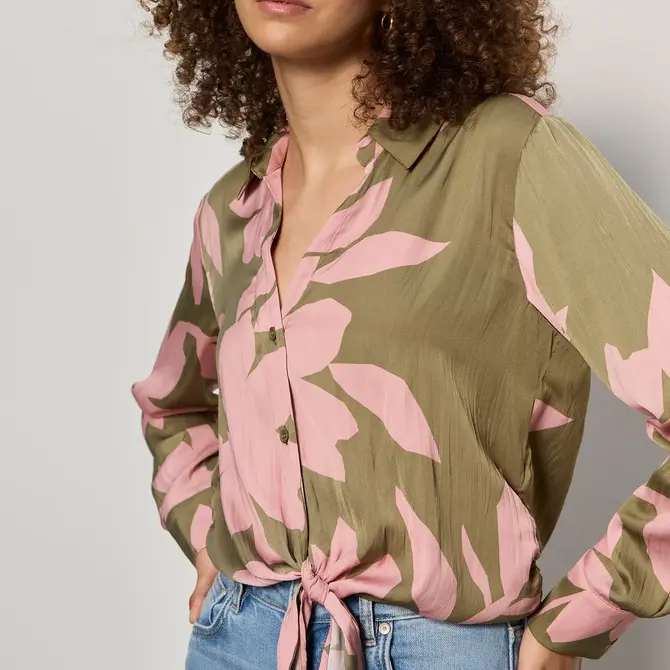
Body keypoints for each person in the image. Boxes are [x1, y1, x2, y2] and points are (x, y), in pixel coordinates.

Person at [131, 0, 670, 668]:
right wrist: (215, 536)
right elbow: (173, 406)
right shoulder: (233, 209)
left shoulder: (506, 154)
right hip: (241, 637)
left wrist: (579, 620)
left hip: (437, 650)